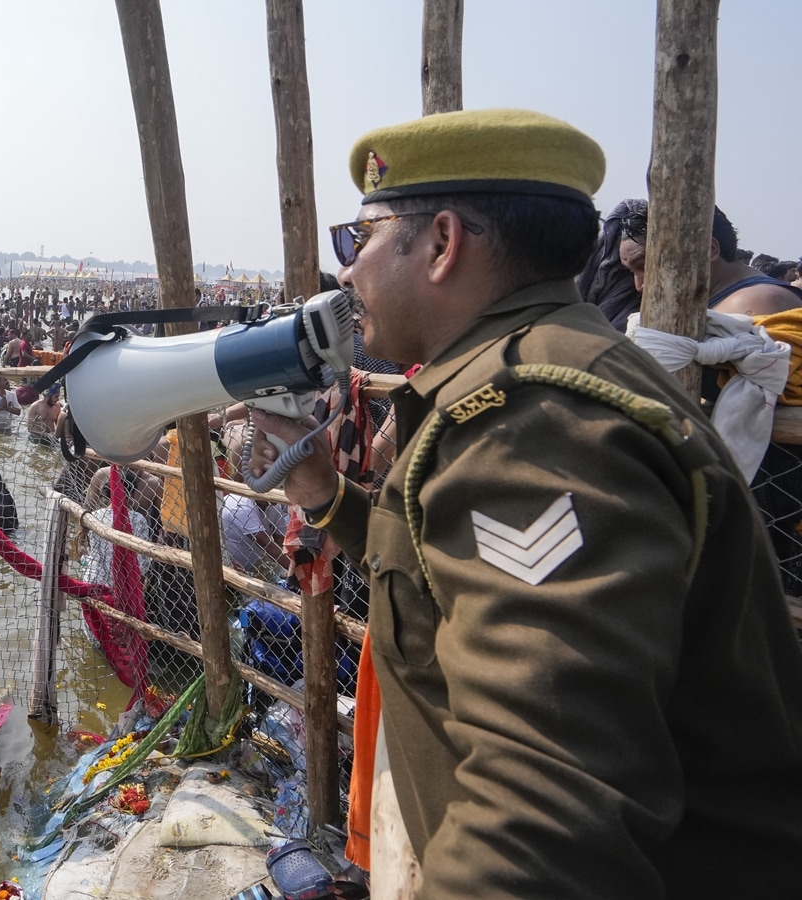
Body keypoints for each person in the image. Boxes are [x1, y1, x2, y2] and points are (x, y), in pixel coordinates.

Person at [247, 108, 802, 896]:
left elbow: (548, 812)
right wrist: (329, 500)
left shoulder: (535, 425)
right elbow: (448, 585)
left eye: (357, 239)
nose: (345, 272)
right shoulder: (528, 376)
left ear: (441, 243)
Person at [617, 204, 802, 318]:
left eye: (646, 266)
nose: (640, 285)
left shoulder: (753, 305)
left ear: (708, 250)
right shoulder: (715, 301)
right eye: (633, 272)